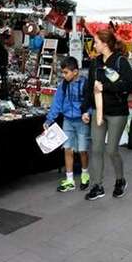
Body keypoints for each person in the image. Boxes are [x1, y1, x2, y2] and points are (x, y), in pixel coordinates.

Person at [81, 29, 132, 201]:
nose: (94, 45)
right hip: (99, 110)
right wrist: (85, 108)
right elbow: (90, 87)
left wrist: (107, 87)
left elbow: (130, 84)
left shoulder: (120, 61)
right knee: (96, 149)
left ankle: (120, 180)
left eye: (96, 42)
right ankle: (97, 185)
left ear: (105, 44)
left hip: (117, 112)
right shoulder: (95, 63)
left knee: (112, 149)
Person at [44, 57, 90, 193]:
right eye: (63, 73)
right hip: (68, 120)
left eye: (66, 72)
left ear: (75, 72)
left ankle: (85, 173)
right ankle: (69, 179)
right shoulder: (63, 85)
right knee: (67, 149)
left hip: (81, 121)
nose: (64, 75)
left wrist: (88, 113)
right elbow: (57, 103)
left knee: (82, 150)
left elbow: (90, 101)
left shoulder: (85, 84)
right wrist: (49, 120)